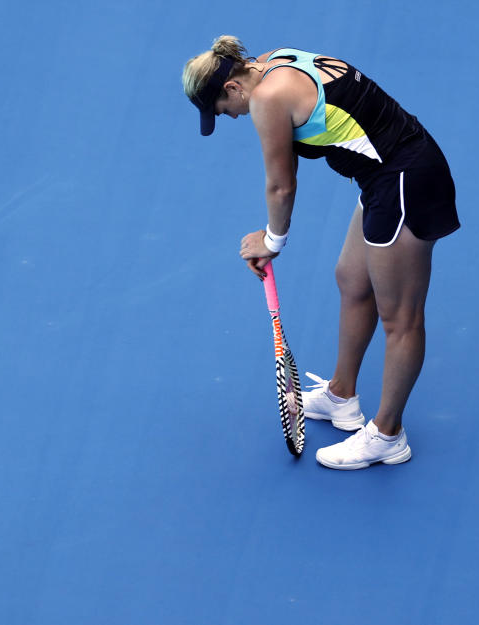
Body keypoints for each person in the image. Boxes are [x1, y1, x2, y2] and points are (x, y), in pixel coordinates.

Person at [182, 36, 459, 470]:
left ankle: (388, 434)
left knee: (401, 319)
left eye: (221, 110)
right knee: (352, 280)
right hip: (384, 176)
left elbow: (281, 185)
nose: (229, 117)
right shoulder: (274, 61)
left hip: (407, 180)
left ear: (233, 89)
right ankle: (341, 396)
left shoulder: (266, 99)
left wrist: (272, 241)